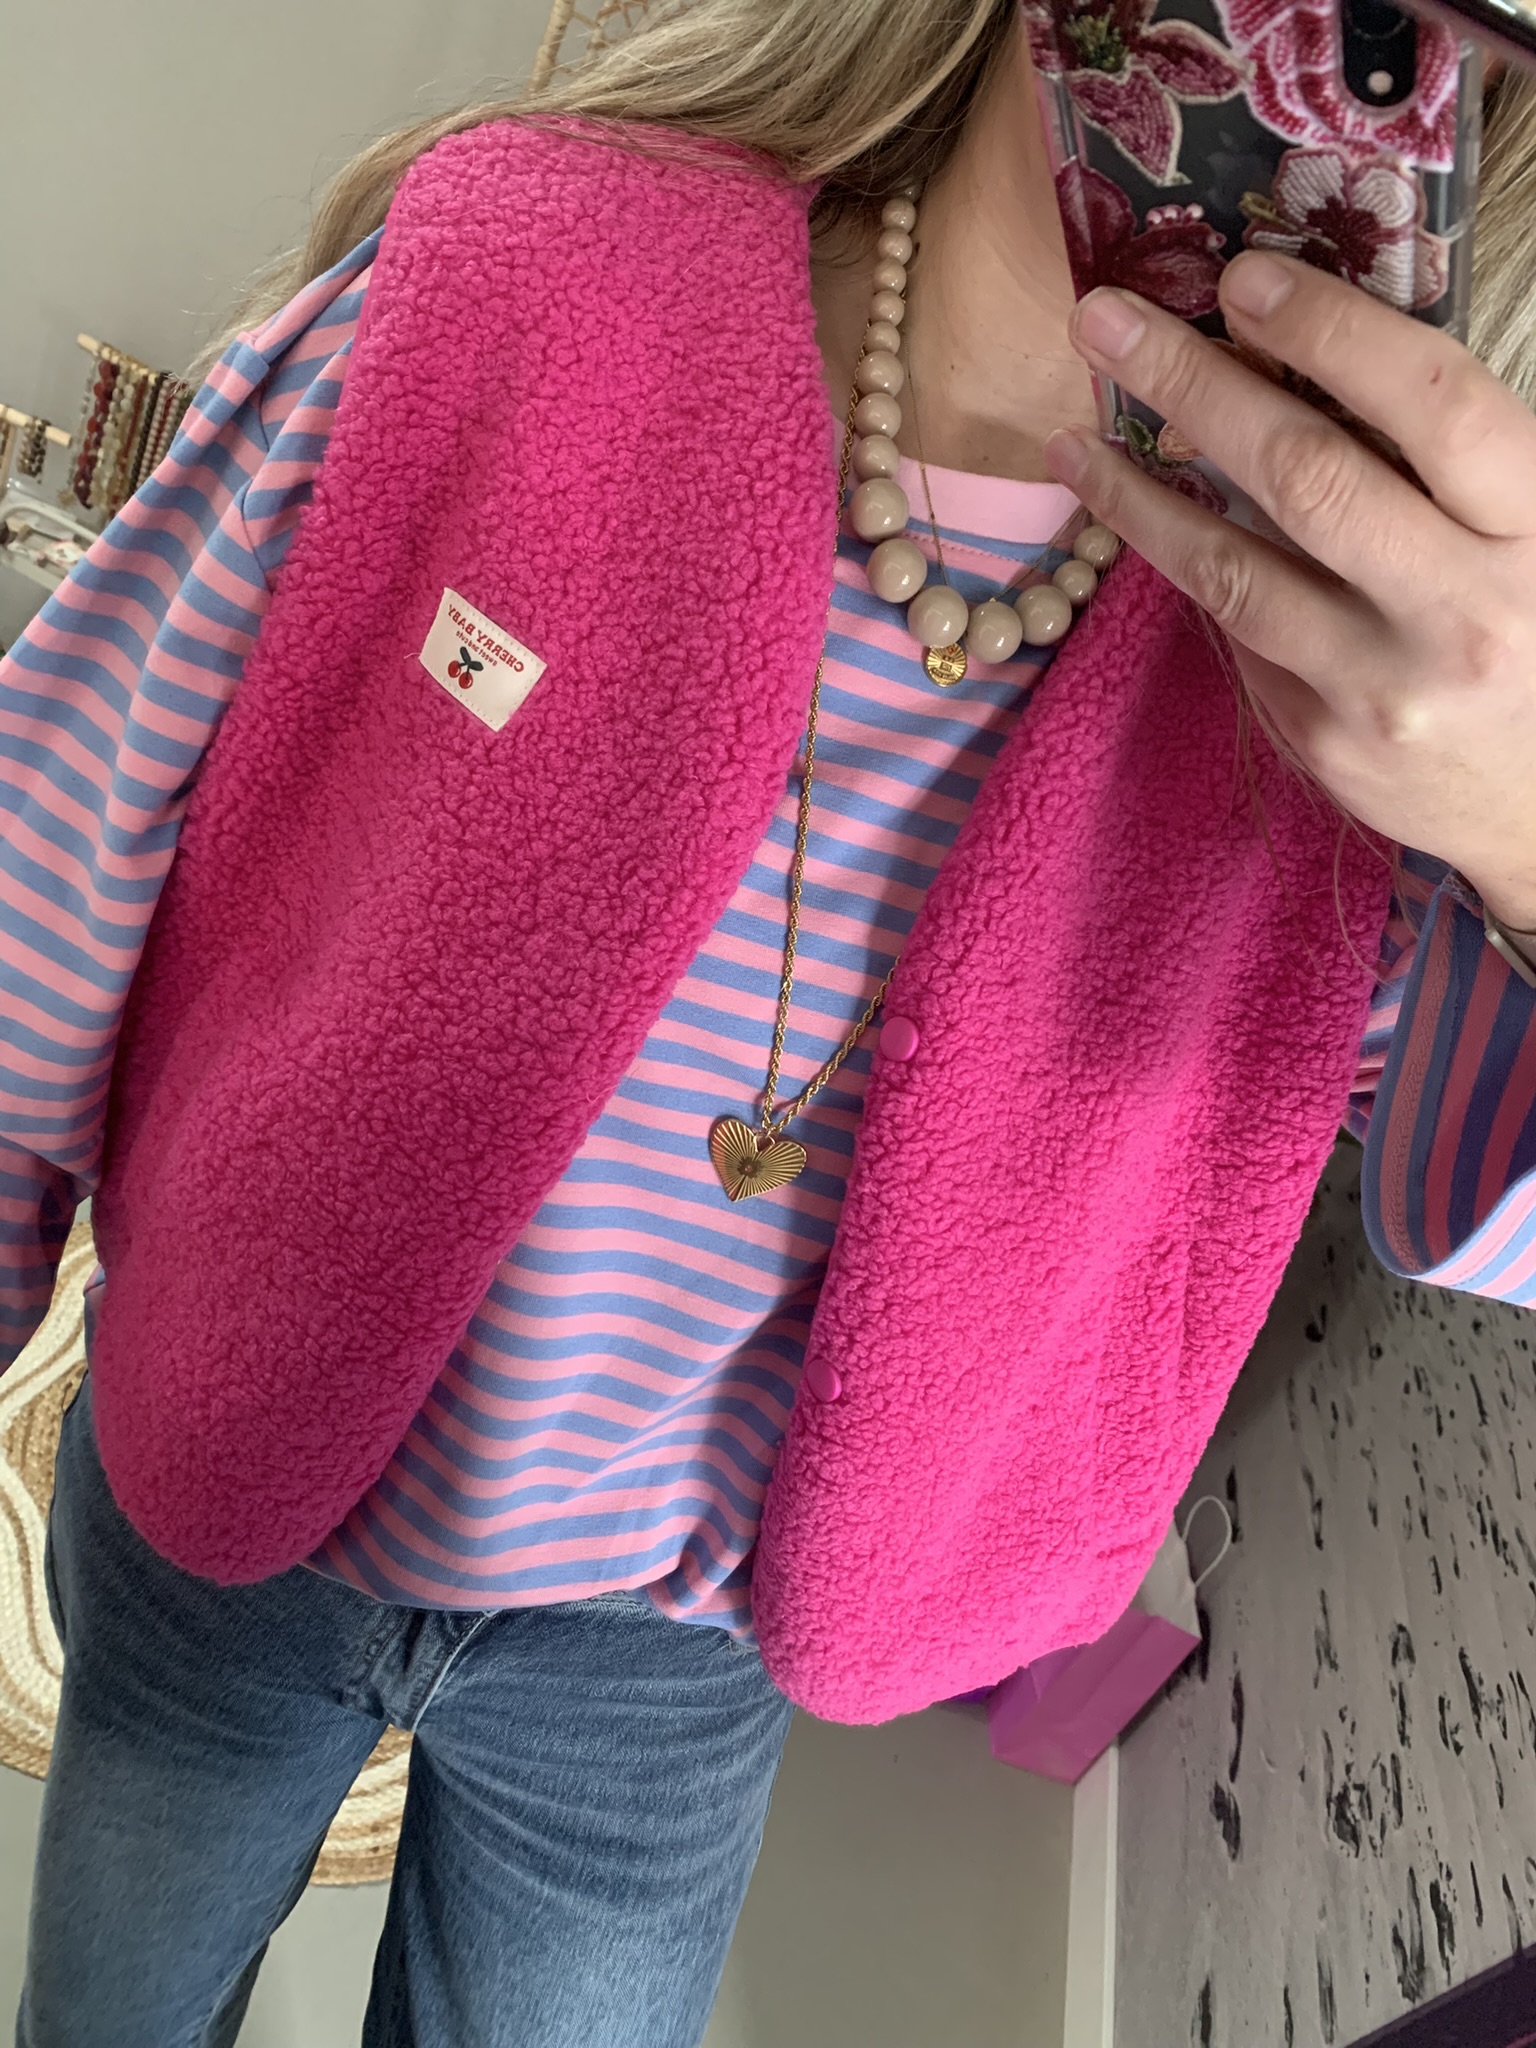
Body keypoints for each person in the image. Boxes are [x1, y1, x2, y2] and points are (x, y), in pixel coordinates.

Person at [7, 1, 1536, 2042]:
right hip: (220, 1494)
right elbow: (70, 809)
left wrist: (1528, 837)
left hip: (663, 1672)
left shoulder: (1388, 709)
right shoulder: (519, 274)